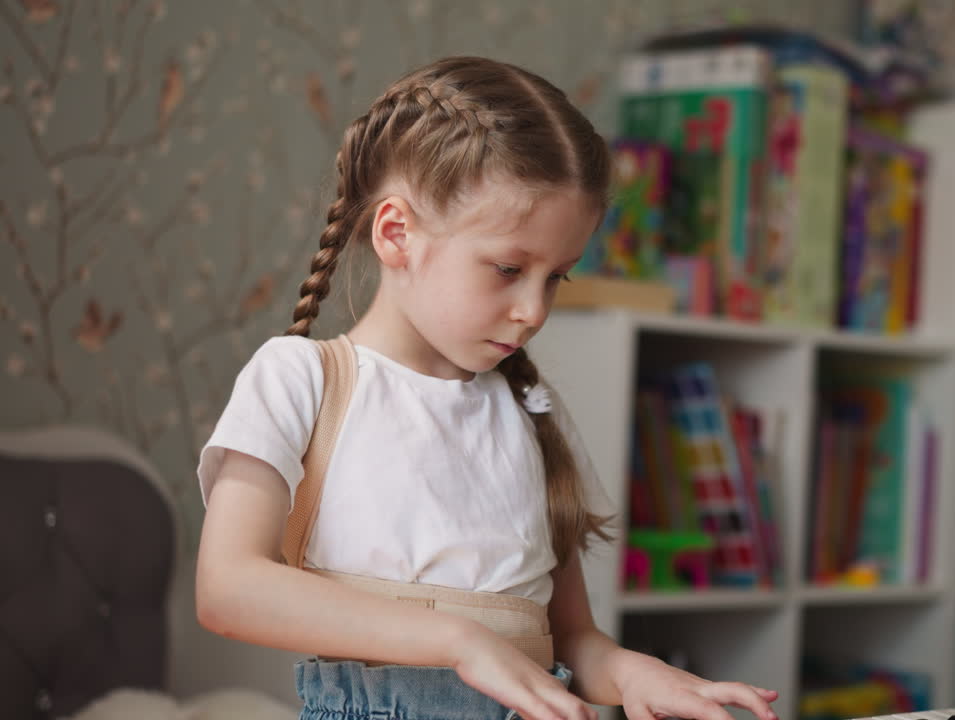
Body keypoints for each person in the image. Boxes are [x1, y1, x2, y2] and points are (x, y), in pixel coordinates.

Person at [194, 56, 780, 720]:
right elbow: (228, 589)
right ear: (396, 233)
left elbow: (572, 639)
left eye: (556, 276)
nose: (534, 309)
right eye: (508, 268)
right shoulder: (301, 379)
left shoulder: (529, 415)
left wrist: (634, 673)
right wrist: (456, 642)